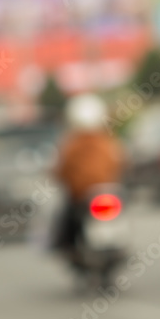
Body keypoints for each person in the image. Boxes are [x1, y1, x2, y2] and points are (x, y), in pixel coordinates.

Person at [53, 94, 124, 259]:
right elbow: (120, 163)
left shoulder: (71, 144)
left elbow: (61, 169)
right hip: (108, 193)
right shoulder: (107, 141)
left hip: (84, 196)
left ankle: (70, 248)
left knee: (66, 221)